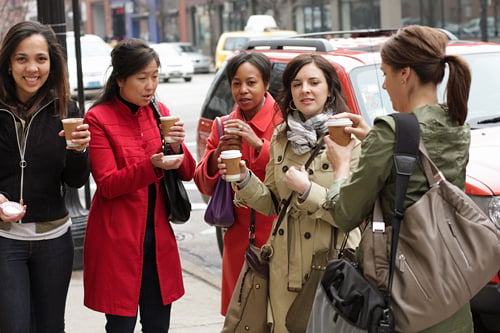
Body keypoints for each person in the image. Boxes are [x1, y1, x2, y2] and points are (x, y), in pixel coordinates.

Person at [324, 25, 474, 332]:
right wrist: (374, 140)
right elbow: (422, 171)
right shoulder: (457, 124)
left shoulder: (391, 131)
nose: (384, 83)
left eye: (386, 73)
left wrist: (341, 167)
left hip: (405, 297)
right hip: (453, 288)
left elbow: (345, 213)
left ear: (405, 74)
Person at [220, 53, 361, 332]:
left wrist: (308, 191)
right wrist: (244, 179)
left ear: (330, 89)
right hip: (283, 266)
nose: (305, 90)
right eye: (297, 84)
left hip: (330, 263)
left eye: (313, 82)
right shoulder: (281, 136)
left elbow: (352, 214)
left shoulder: (348, 137)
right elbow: (272, 202)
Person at [83, 38, 196, 333]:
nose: (150, 86)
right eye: (142, 78)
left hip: (157, 240)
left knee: (158, 326)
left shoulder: (159, 111)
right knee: (121, 326)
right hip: (116, 240)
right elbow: (107, 184)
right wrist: (152, 166)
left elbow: (188, 171)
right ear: (120, 79)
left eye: (155, 77)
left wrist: (175, 145)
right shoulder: (98, 118)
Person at [0, 21, 90, 332]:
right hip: (4, 239)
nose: (32, 68)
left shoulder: (66, 109)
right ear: (9, 63)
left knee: (51, 326)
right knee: (14, 325)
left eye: (41, 58)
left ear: (51, 63)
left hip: (54, 240)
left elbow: (75, 181)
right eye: (21, 58)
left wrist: (79, 152)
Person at [194, 51, 283, 315]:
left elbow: (293, 172)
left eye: (251, 82)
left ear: (266, 84)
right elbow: (204, 185)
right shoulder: (223, 125)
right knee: (240, 317)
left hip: (278, 236)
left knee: (276, 316)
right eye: (236, 83)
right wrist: (216, 155)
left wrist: (259, 145)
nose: (243, 90)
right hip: (238, 239)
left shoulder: (285, 122)